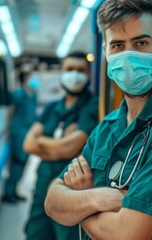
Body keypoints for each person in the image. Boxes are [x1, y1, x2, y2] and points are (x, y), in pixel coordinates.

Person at [44, 1, 152, 239]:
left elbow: (127, 234)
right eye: (118, 45)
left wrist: (80, 205)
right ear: (107, 54)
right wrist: (98, 197)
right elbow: (52, 200)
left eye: (141, 43)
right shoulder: (108, 126)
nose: (129, 56)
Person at [23, 51, 99, 240]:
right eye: (70, 69)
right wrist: (59, 144)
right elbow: (28, 144)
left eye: (80, 70)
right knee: (35, 233)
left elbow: (70, 148)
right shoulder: (51, 107)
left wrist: (43, 143)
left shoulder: (93, 106)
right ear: (62, 73)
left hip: (71, 187)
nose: (75, 74)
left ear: (89, 74)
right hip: (42, 185)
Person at [2, 73, 39, 203]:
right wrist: (6, 131)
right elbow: (9, 112)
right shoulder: (18, 94)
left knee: (24, 163)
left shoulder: (34, 95)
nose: (35, 80)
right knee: (17, 162)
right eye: (32, 77)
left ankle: (15, 190)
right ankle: (8, 192)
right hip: (18, 131)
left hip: (28, 133)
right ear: (25, 80)